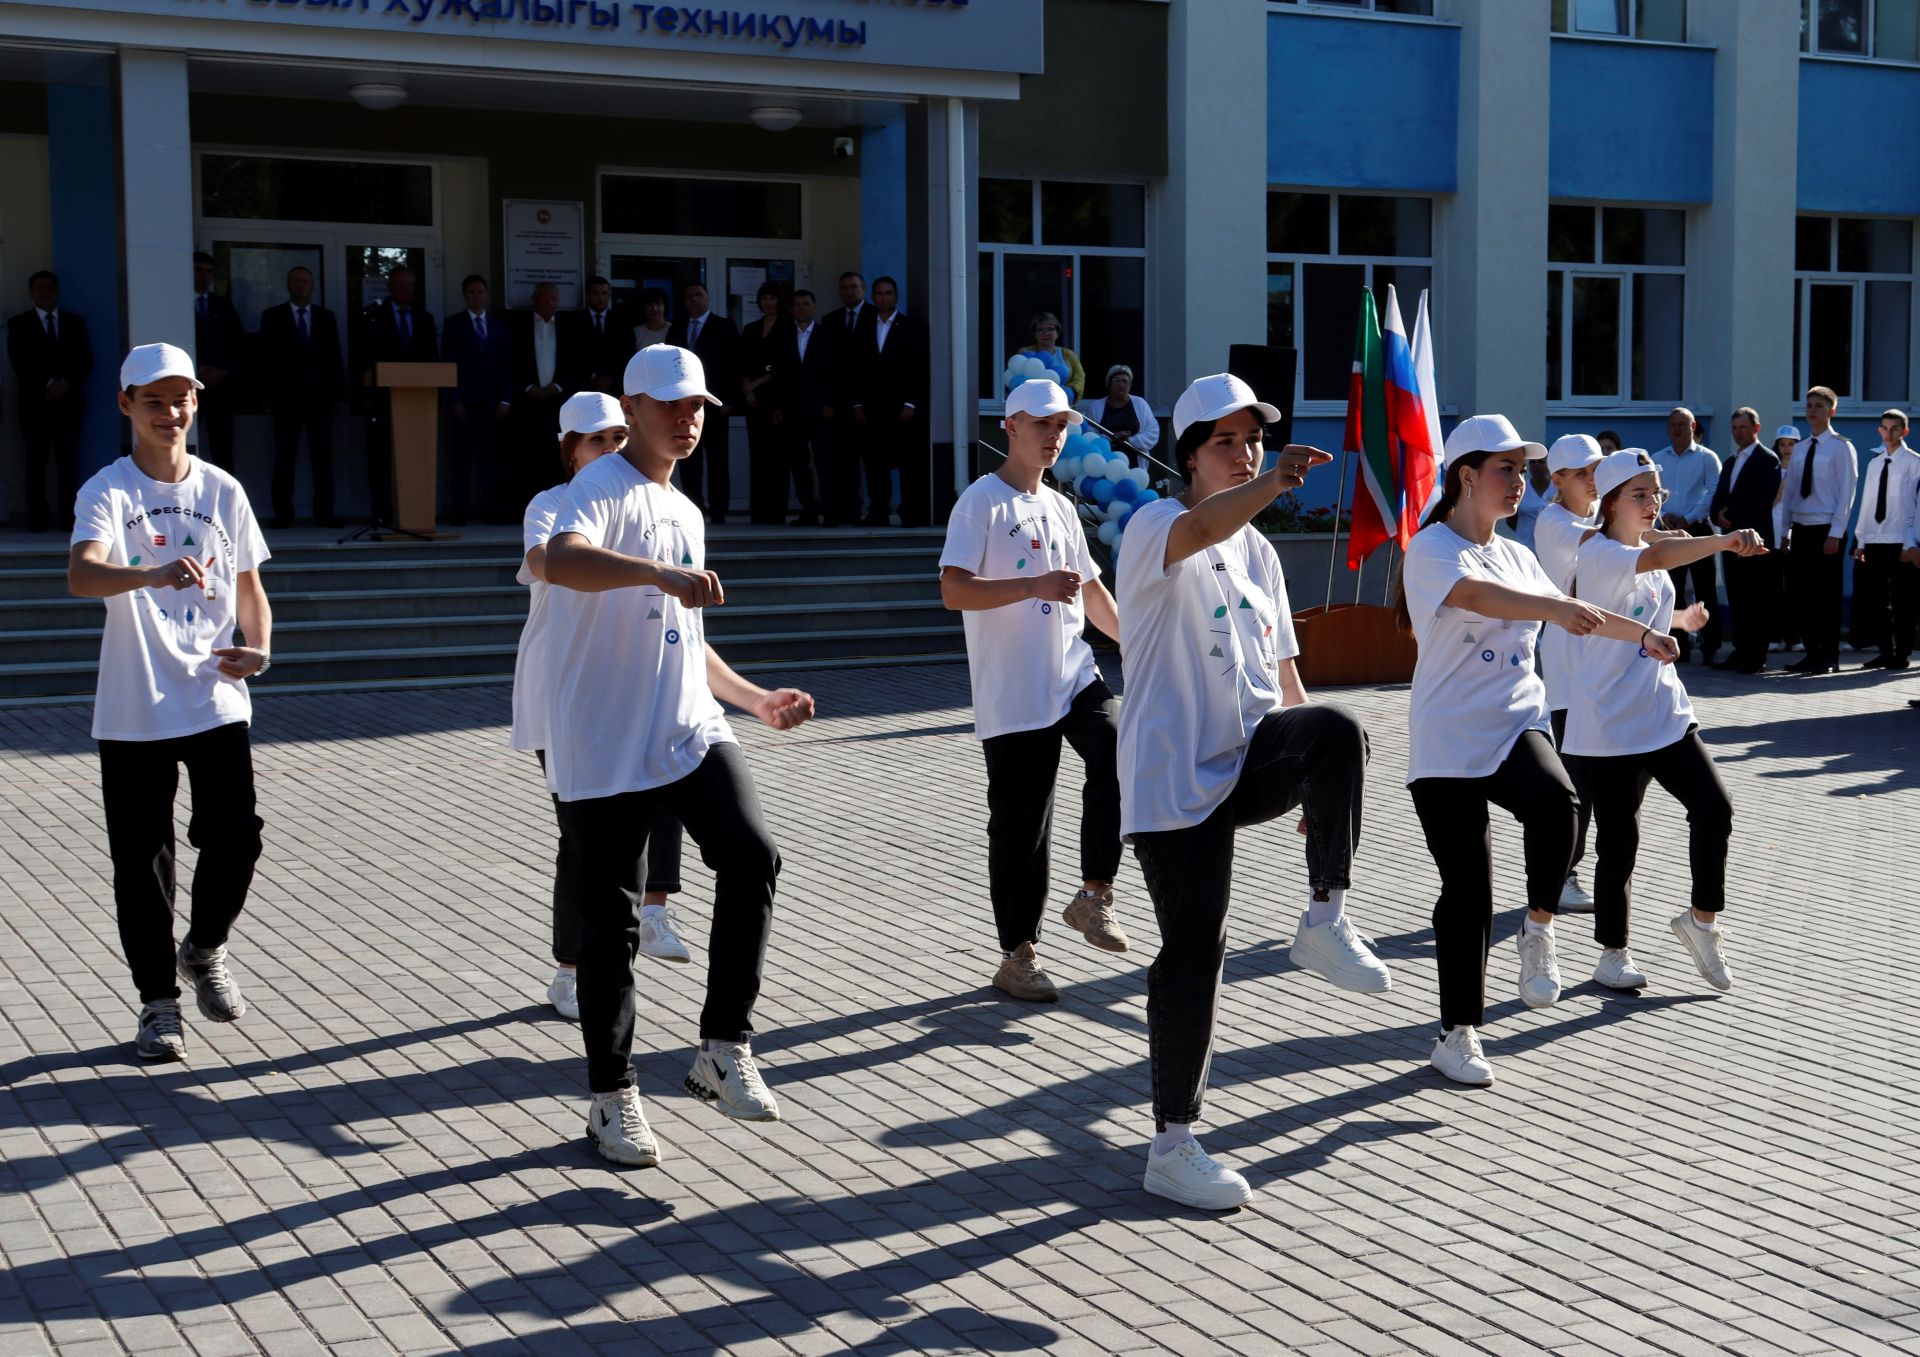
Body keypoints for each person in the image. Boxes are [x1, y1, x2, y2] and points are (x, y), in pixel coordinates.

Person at [542, 345, 815, 1166]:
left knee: (753, 854)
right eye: (672, 405)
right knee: (613, 922)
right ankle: (610, 1093)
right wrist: (659, 573)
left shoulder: (686, 510)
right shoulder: (596, 487)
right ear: (631, 407)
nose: (689, 419)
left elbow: (686, 640)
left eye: (699, 406)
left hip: (686, 726)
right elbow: (560, 560)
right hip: (602, 738)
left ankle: (722, 1046)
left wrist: (755, 698)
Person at [1119, 373, 1387, 1210]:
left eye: (1255, 440)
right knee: (1195, 951)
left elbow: (1286, 676)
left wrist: (1317, 777)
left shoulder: (1262, 552)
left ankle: (1324, 918)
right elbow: (1201, 525)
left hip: (1245, 759)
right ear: (1190, 456)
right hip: (1171, 779)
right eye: (1226, 442)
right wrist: (1271, 484)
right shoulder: (1154, 525)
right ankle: (1174, 1141)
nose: (1245, 453)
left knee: (1340, 727)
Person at [1395, 416, 1679, 1089]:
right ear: (1467, 475)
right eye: (1506, 470)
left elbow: (1572, 607)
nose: (1520, 482)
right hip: (1447, 740)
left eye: (1523, 471)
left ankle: (1538, 927)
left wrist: (1642, 633)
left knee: (1560, 805)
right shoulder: (1433, 548)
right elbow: (1474, 596)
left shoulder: (1519, 552)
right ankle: (1458, 1031)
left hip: (1513, 722)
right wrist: (1551, 610)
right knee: (1467, 890)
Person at [65, 343, 273, 1061]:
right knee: (141, 861)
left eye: (181, 398)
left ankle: (205, 945)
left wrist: (260, 644)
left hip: (214, 692)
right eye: (153, 400)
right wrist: (150, 573)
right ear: (125, 406)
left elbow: (250, 585)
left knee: (237, 834)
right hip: (135, 702)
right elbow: (83, 576)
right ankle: (158, 1005)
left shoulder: (223, 489)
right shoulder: (108, 490)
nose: (171, 412)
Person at [939, 378, 1129, 1004]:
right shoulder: (980, 503)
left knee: (1118, 747)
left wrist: (1137, 642)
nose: (1055, 435)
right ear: (1010, 426)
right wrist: (1031, 587)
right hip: (1014, 691)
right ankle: (1017, 954)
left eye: (1063, 426)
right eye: (1042, 423)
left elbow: (1094, 592)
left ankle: (1094, 895)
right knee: (1024, 829)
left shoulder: (1062, 506)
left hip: (1072, 673)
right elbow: (954, 590)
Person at [511, 392, 693, 1021]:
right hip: (564, 696)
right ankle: (568, 970)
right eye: (597, 441)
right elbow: (545, 561)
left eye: (619, 438)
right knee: (582, 841)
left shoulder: (655, 501)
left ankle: (655, 908)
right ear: (570, 451)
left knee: (669, 782)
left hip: (638, 684)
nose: (612, 450)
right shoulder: (551, 506)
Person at [1564, 449, 1765, 995]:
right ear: (1609, 503)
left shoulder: (1639, 545)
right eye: (1641, 494)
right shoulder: (1599, 553)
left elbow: (1652, 580)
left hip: (1665, 713)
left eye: (1658, 493)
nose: (1653, 503)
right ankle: (1612, 954)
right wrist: (1725, 541)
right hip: (1608, 721)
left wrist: (1679, 619)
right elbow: (1655, 566)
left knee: (1715, 809)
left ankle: (1702, 923)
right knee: (1619, 842)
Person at [1532, 434, 1605, 913]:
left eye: (1598, 469)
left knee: (1600, 781)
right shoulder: (1554, 520)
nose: (1594, 480)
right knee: (1576, 783)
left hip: (1607, 669)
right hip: (1569, 671)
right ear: (1558, 480)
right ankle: (1560, 875)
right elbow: (1614, 542)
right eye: (1583, 473)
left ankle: (1570, 871)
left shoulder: (1602, 517)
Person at [258, 266, 344, 529]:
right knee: (285, 458)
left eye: (305, 280)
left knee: (323, 458)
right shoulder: (273, 317)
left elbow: (334, 359)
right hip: (286, 399)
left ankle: (325, 514)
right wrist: (266, 395)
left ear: (312, 285)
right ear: (288, 284)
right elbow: (264, 361)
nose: (300, 284)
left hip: (320, 400)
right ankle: (283, 515)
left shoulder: (326, 318)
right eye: (295, 280)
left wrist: (339, 396)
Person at [7, 270, 92, 532]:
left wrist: (66, 384)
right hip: (35, 405)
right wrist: (48, 384)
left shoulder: (74, 323)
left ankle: (69, 518)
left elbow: (85, 361)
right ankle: (37, 518)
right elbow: (20, 362)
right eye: (39, 288)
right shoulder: (18, 323)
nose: (44, 292)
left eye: (49, 288)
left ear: (57, 291)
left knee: (68, 463)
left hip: (69, 405)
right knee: (36, 462)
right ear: (31, 293)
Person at [1781, 387, 1858, 675]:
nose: (1812, 411)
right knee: (1800, 596)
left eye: (1819, 406)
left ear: (1832, 411)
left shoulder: (1840, 447)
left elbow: (1846, 494)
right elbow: (1789, 493)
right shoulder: (1800, 447)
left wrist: (1836, 534)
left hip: (1826, 530)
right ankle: (1812, 652)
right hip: (1801, 529)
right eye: (1809, 405)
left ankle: (1829, 656)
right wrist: (1784, 532)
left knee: (1825, 598)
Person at [354, 265, 436, 525]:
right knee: (379, 460)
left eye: (410, 285)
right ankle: (382, 512)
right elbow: (362, 360)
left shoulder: (425, 318)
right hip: (381, 401)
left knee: (415, 461)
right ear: (390, 287)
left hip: (417, 404)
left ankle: (415, 515)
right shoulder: (373, 317)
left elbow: (433, 362)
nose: (405, 290)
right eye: (400, 285)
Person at [849, 277, 930, 527]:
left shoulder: (910, 326)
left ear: (896, 296)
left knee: (907, 463)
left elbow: (919, 368)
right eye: (880, 294)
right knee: (874, 463)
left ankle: (910, 512)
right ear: (873, 297)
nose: (884, 298)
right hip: (872, 408)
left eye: (888, 293)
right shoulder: (863, 327)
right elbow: (854, 368)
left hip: (901, 409)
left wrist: (911, 403)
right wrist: (857, 404)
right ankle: (878, 512)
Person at [1708, 407, 1784, 673]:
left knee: (1756, 600)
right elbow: (1719, 496)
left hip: (1755, 542)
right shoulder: (1731, 461)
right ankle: (1740, 651)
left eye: (1743, 427)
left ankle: (1755, 655)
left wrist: (1733, 515)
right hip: (1732, 541)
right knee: (1737, 597)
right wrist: (1718, 514)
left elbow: (1762, 499)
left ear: (1756, 428)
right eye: (1735, 428)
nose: (1738, 433)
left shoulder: (1768, 459)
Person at [1651, 407, 1724, 663]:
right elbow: (1653, 494)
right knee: (1673, 589)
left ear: (1693, 427)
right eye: (1672, 424)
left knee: (1705, 590)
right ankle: (1678, 644)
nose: (1677, 429)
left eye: (1682, 424)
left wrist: (1689, 518)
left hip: (1698, 529)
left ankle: (1711, 644)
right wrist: (1663, 516)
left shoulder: (1707, 458)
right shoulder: (1658, 458)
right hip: (1669, 531)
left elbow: (1713, 493)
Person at [441, 274, 514, 526]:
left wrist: (506, 399)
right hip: (464, 404)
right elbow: (448, 365)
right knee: (461, 460)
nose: (476, 296)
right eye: (471, 292)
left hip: (493, 405)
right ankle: (459, 511)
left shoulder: (498, 324)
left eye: (480, 291)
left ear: (486, 294)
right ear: (464, 295)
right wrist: (454, 400)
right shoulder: (453, 324)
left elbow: (508, 364)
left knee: (491, 460)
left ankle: (492, 511)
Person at [1853, 409, 1920, 670]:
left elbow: (1915, 507)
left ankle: (1902, 653)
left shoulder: (1914, 463)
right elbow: (1868, 502)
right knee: (1878, 600)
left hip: (1901, 540)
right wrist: (1861, 540)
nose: (1889, 433)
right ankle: (1885, 650)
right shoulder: (1875, 463)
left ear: (1905, 431)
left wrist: (1910, 544)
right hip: (1876, 538)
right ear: (1879, 431)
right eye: (1885, 428)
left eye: (1895, 428)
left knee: (1903, 600)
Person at [666, 282, 739, 522]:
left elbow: (732, 366)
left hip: (715, 405)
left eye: (698, 295)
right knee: (689, 459)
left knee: (718, 460)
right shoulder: (677, 328)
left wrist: (728, 401)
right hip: (684, 407)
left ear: (707, 298)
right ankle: (694, 507)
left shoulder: (724, 326)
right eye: (689, 296)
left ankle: (719, 511)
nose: (694, 299)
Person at [508, 282, 577, 513]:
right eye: (544, 298)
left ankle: (554, 509)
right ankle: (524, 508)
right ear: (534, 299)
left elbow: (577, 361)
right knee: (526, 455)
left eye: (553, 299)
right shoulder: (517, 325)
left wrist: (558, 386)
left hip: (558, 402)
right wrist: (528, 387)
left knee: (555, 455)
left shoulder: (568, 327)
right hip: (527, 402)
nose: (548, 303)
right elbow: (510, 360)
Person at [738, 281, 793, 525]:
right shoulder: (751, 328)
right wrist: (746, 388)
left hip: (777, 399)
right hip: (754, 403)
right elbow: (742, 360)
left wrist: (757, 383)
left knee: (777, 460)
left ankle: (776, 512)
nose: (768, 302)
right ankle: (758, 511)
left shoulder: (788, 327)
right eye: (764, 298)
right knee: (758, 458)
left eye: (772, 297)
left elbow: (781, 365)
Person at [826, 272, 877, 526]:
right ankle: (843, 510)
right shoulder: (830, 320)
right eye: (844, 287)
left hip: (869, 405)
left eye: (854, 286)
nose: (849, 291)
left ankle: (869, 510)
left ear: (863, 289)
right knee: (841, 462)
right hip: (838, 406)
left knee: (869, 461)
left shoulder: (875, 316)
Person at [777, 288, 830, 525]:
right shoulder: (785, 335)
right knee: (799, 464)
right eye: (797, 304)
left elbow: (835, 372)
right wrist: (777, 406)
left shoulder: (827, 335)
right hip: (793, 411)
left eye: (805, 304)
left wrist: (829, 403)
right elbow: (778, 372)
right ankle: (808, 510)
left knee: (825, 462)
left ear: (813, 306)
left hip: (820, 411)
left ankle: (830, 512)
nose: (801, 308)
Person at [191, 252, 246, 473]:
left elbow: (239, 347)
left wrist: (223, 372)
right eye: (198, 269)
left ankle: (225, 502)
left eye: (208, 271)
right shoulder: (175, 303)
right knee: (184, 445)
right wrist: (196, 371)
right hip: (187, 388)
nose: (203, 276)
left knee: (222, 449)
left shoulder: (222, 306)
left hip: (220, 390)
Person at [1078, 365, 1160, 458]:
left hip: (1135, 465)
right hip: (1104, 462)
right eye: (1116, 381)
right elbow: (1089, 435)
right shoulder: (1096, 407)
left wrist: (1130, 440)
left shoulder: (1140, 404)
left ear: (1130, 386)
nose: (1120, 384)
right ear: (1109, 384)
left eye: (1124, 381)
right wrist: (1112, 437)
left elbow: (1153, 432)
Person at [1770, 426, 1803, 655]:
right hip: (1773, 534)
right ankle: (1776, 635)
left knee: (1794, 590)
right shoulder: (1772, 470)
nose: (1787, 449)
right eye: (1783, 444)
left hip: (1794, 536)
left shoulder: (1803, 470)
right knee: (1774, 590)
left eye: (1791, 444)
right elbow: (1771, 502)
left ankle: (1795, 635)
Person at [577, 275, 634, 397]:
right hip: (583, 385)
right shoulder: (576, 321)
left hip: (614, 386)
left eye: (604, 293)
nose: (600, 298)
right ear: (587, 295)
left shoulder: (621, 321)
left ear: (609, 295)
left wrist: (611, 377)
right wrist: (592, 377)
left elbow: (626, 353)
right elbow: (573, 354)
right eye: (596, 293)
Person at [1018, 312, 1086, 401]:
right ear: (1034, 334)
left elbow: (1079, 378)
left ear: (1057, 333)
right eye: (1040, 330)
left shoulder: (1068, 355)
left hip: (1061, 406)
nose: (1046, 333)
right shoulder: (1025, 352)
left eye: (1050, 329)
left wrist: (1068, 392)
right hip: (1031, 405)